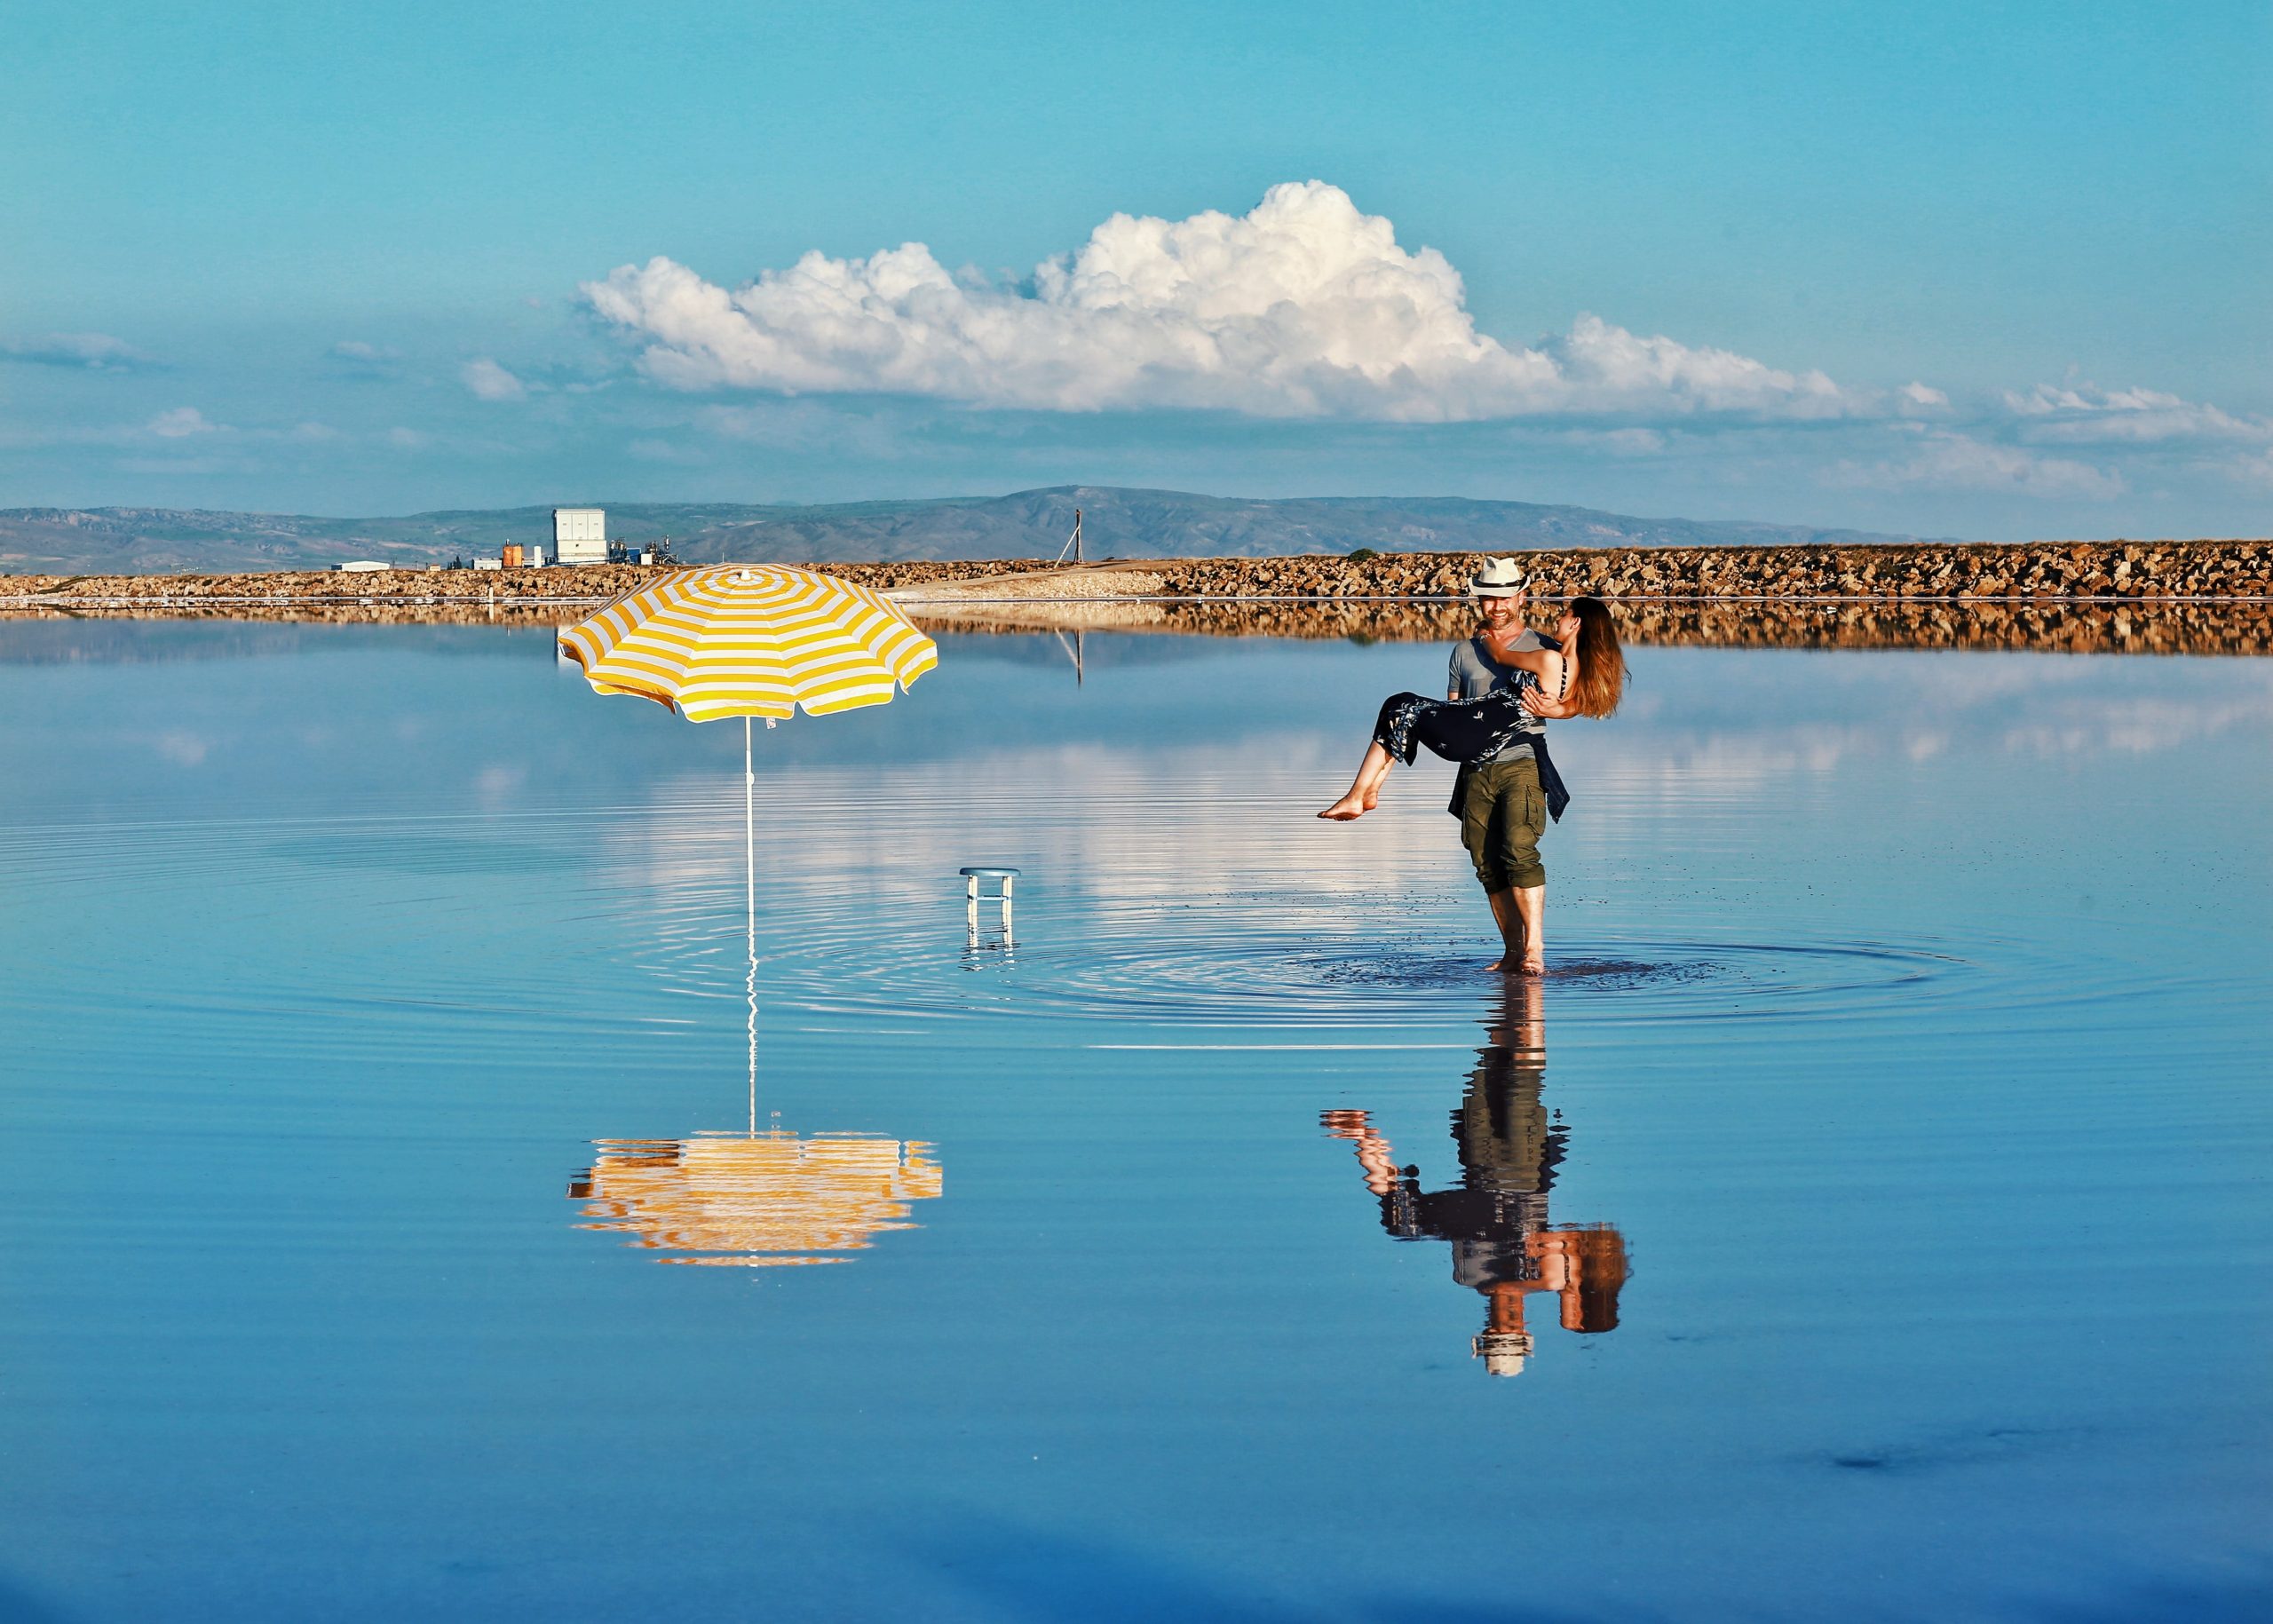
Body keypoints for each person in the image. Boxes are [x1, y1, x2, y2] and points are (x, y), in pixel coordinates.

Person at [1317, 562, 1626, 973]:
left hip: (1521, 761)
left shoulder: (1545, 647)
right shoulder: (1464, 652)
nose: (1495, 605)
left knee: (1519, 849)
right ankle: (1514, 953)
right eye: (1487, 597)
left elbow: (1583, 699)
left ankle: (1534, 950)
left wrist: (1560, 708)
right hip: (1474, 757)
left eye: (1503, 597)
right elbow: (1455, 703)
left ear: (1521, 597)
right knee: (1485, 861)